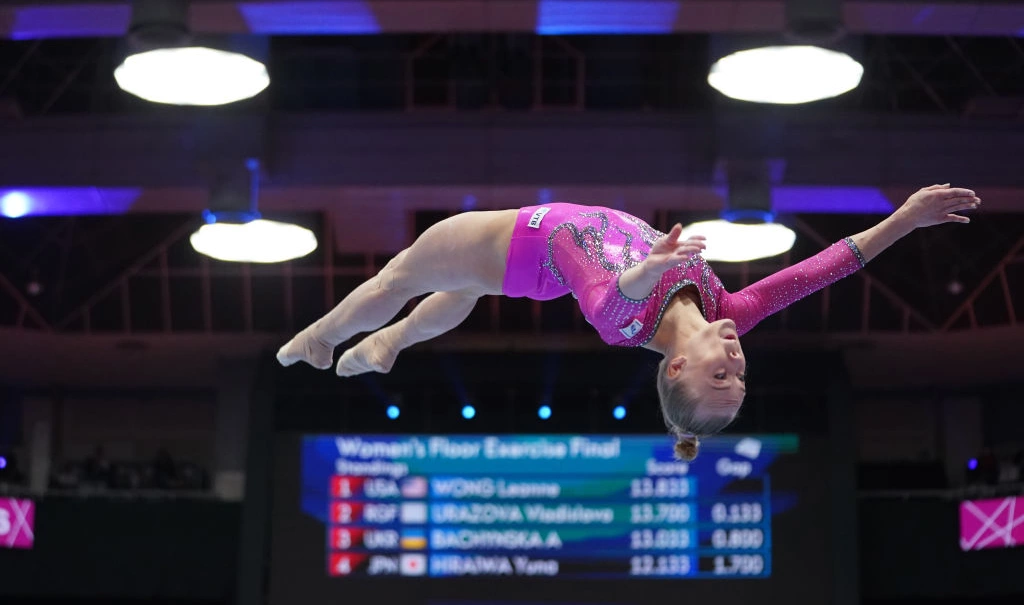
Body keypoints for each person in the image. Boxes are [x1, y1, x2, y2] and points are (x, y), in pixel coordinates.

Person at [277, 184, 979, 460]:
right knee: (457, 294)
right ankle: (392, 341)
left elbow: (601, 282)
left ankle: (324, 336)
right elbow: (822, 268)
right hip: (522, 268)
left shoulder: (621, 323)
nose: (735, 355)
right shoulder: (728, 308)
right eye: (741, 372)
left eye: (718, 372)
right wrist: (905, 219)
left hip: (519, 238)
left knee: (401, 275)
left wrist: (644, 275)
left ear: (675, 366)